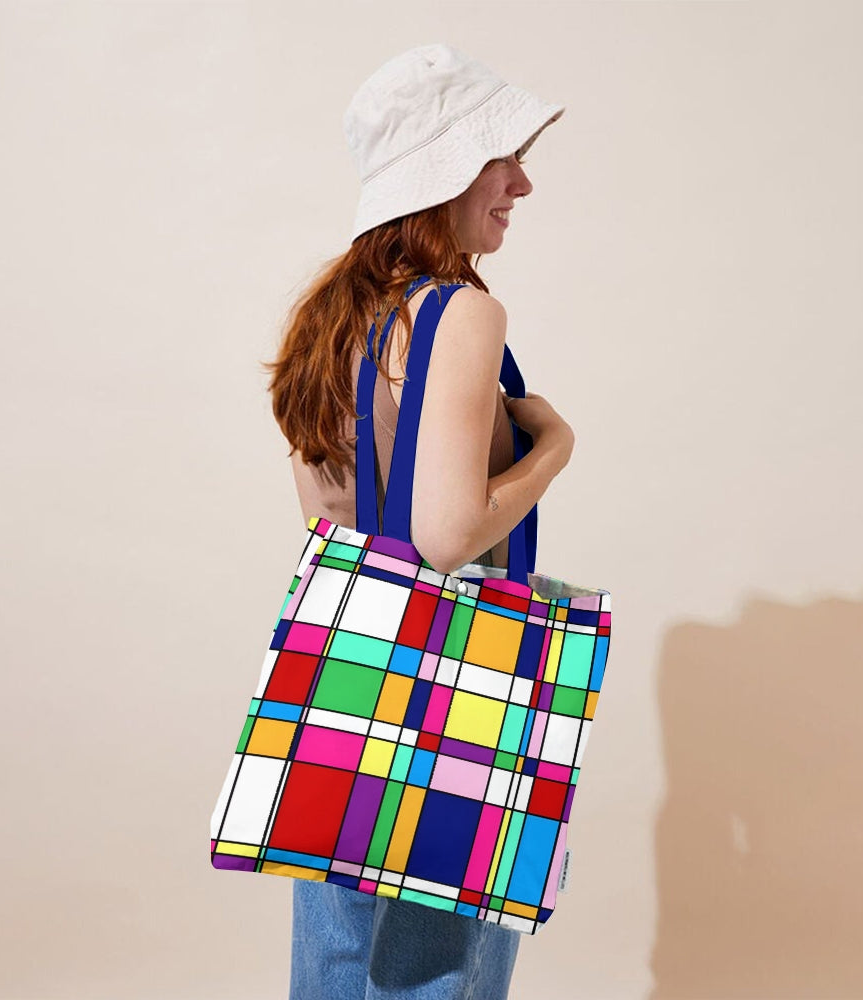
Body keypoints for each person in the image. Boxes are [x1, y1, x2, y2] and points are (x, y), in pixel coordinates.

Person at [262, 43, 575, 1000]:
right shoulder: (463, 314)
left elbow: (328, 524)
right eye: (500, 158)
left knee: (335, 961)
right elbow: (445, 538)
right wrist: (553, 447)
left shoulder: (327, 319)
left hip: (345, 663)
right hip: (460, 681)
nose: (522, 183)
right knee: (440, 971)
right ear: (442, 175)